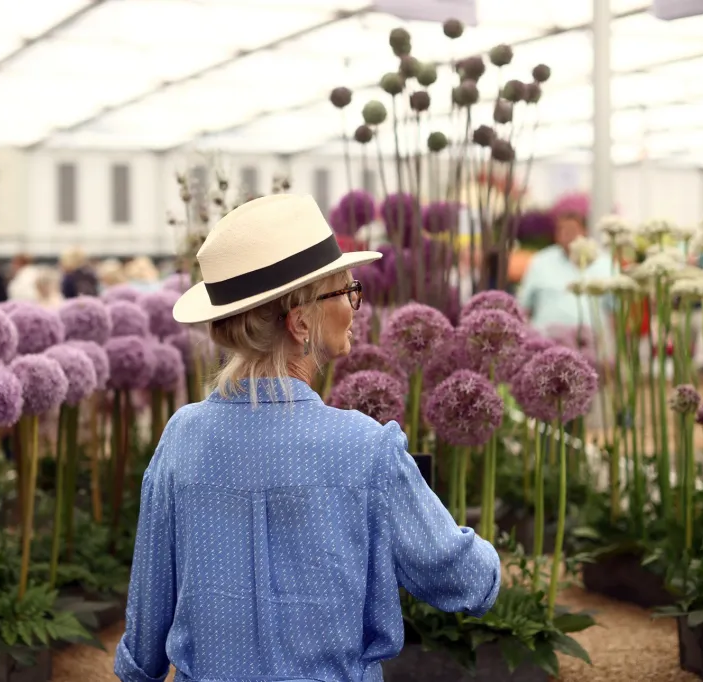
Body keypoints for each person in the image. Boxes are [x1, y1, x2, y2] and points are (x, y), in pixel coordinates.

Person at [115, 194, 500, 682]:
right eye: (345, 291)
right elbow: (464, 581)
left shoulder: (181, 439)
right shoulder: (365, 448)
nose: (355, 304)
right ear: (299, 322)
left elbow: (146, 628)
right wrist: (491, 564)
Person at [516, 211, 612, 333]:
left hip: (591, 344)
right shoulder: (540, 261)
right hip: (546, 343)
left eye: (572, 230)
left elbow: (614, 310)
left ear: (585, 231)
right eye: (561, 230)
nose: (566, 234)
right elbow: (524, 306)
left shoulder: (604, 263)